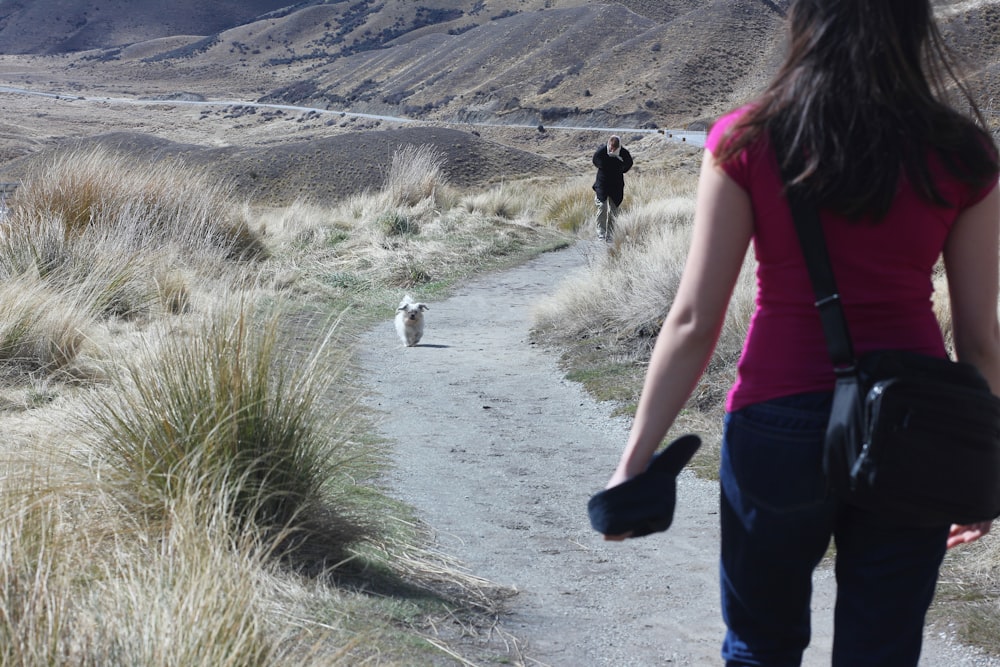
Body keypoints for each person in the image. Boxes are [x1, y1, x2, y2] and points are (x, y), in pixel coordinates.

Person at [601, 1, 1000, 665]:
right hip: (916, 425)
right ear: (915, 23)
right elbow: (981, 340)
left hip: (776, 421)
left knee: (761, 646)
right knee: (882, 652)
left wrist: (634, 459)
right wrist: (982, 467)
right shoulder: (963, 154)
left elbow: (696, 319)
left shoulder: (747, 139)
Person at [592, 135, 633, 241]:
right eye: (611, 147)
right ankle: (601, 232)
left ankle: (609, 234)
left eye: (615, 148)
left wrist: (621, 168)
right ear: (609, 144)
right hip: (602, 183)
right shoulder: (601, 152)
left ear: (619, 146)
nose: (613, 150)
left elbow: (629, 163)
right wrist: (605, 166)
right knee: (602, 206)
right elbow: (595, 160)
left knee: (613, 210)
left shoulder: (624, 153)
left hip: (616, 185)